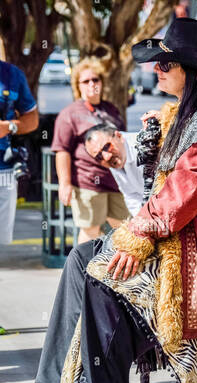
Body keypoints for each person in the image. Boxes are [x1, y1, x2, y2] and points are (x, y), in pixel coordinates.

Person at [35, 18, 197, 383]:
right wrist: (154, 137)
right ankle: (55, 380)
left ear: (191, 70)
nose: (156, 70)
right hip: (170, 239)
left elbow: (182, 193)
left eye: (166, 64)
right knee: (78, 257)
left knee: (100, 274)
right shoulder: (185, 113)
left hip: (190, 257)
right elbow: (162, 186)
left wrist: (134, 237)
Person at [51, 56, 130, 244]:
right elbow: (61, 150)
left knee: (125, 229)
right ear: (78, 86)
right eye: (86, 81)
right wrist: (65, 183)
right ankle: (84, 272)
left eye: (96, 79)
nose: (92, 84)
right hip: (88, 182)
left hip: (116, 181)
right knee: (90, 231)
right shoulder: (70, 114)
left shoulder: (111, 109)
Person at [0, 60, 38, 245]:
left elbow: (32, 119)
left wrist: (9, 126)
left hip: (4, 172)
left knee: (1, 243)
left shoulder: (12, 75)